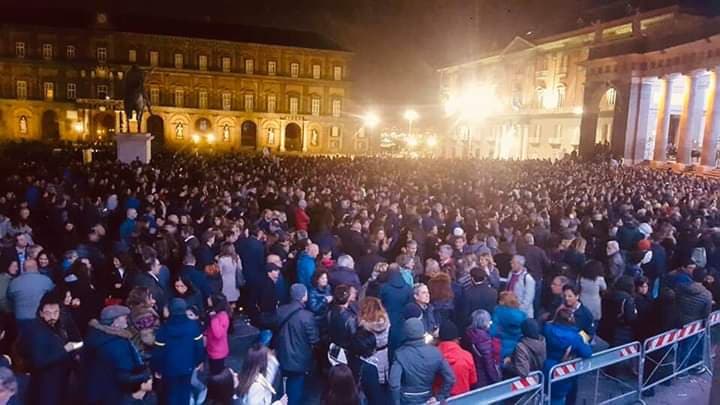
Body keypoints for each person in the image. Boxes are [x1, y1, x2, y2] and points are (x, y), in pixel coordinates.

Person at [24, 292, 82, 405]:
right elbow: (39, 361)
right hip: (47, 384)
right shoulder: (37, 332)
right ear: (41, 313)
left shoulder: (58, 325)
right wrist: (65, 350)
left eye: (56, 312)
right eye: (48, 313)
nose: (52, 316)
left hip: (60, 380)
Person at [83, 305, 144, 405]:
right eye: (124, 317)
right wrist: (144, 377)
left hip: (95, 393)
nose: (126, 320)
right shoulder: (117, 344)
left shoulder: (93, 336)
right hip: (114, 395)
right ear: (115, 321)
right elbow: (124, 375)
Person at [151, 298, 206, 405]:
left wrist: (157, 368)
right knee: (185, 392)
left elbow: (158, 352)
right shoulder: (193, 326)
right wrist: (199, 361)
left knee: (171, 393)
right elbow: (199, 346)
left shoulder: (164, 329)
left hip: (169, 368)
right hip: (188, 366)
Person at [388, 318, 456, 405]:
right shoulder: (435, 352)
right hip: (428, 398)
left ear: (405, 333)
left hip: (406, 399)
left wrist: (396, 402)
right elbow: (450, 378)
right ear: (423, 332)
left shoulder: (400, 354)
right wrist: (440, 396)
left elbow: (394, 384)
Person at [275, 283, 319, 405]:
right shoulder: (307, 316)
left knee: (283, 386)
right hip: (299, 360)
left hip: (282, 355)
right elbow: (314, 339)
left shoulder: (280, 311)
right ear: (303, 296)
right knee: (295, 388)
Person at [543, 308, 592, 405]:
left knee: (546, 393)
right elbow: (587, 353)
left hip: (547, 365)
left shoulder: (547, 329)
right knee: (559, 397)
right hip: (565, 368)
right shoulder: (575, 336)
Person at [351, 297, 391, 405]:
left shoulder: (363, 325)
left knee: (372, 390)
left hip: (371, 357)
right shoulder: (387, 321)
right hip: (386, 355)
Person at [7, 258, 53, 329]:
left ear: (23, 268)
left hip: (20, 320)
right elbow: (53, 297)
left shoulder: (14, 282)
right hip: (40, 319)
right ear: (36, 267)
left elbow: (9, 298)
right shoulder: (46, 280)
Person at [435, 320, 476, 396]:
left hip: (439, 400)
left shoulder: (432, 356)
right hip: (462, 399)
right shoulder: (467, 356)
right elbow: (473, 381)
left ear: (438, 339)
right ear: (457, 339)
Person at [379, 267, 413, 352]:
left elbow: (379, 303)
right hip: (402, 321)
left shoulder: (384, 288)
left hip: (386, 320)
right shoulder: (408, 288)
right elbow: (410, 305)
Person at [599, 276, 638, 347]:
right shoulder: (628, 300)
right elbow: (631, 317)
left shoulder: (607, 296)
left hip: (605, 327)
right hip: (622, 331)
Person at [464, 309, 500, 388]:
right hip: (483, 377)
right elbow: (488, 361)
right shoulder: (483, 339)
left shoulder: (470, 333)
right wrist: (496, 379)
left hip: (474, 373)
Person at [491, 291, 527, 360]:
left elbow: (493, 331)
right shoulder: (523, 315)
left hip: (502, 347)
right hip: (518, 348)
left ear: (502, 301)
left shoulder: (498, 312)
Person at [205, 294, 231, 375]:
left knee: (217, 374)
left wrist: (213, 318)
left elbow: (218, 334)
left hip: (218, 352)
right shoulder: (216, 314)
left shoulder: (222, 316)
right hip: (212, 349)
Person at [217, 242, 242, 309]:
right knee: (233, 300)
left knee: (226, 300)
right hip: (234, 281)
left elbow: (219, 272)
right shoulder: (236, 258)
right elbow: (240, 268)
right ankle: (233, 313)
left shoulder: (222, 260)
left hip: (225, 282)